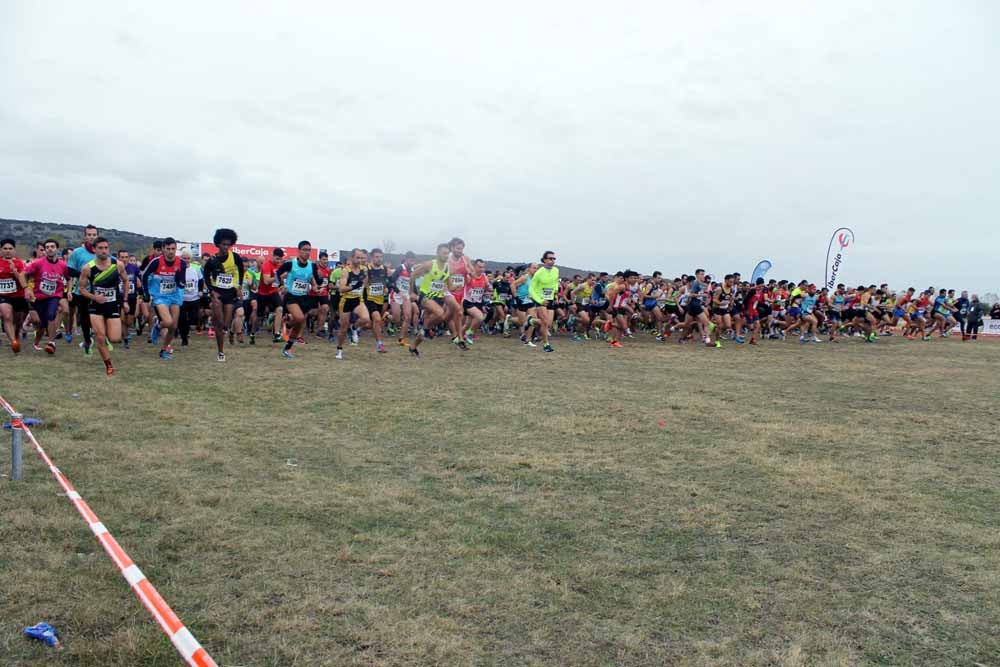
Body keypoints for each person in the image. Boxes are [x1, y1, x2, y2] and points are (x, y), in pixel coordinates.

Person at [78, 237, 129, 375]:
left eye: (106, 248)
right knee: (100, 336)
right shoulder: (88, 268)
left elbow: (126, 281)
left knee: (115, 338)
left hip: (112, 305)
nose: (104, 250)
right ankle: (108, 365)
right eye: (100, 248)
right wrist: (94, 297)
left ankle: (103, 336)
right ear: (94, 249)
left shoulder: (117, 265)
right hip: (95, 306)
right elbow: (81, 289)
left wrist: (124, 300)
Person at [202, 229, 245, 362]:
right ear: (218, 244)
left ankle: (226, 330)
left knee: (225, 324)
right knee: (219, 323)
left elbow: (241, 271)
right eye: (223, 244)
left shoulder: (235, 257)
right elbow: (206, 276)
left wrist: (239, 286)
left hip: (230, 293)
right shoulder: (212, 261)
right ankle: (220, 351)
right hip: (217, 293)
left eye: (228, 244)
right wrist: (211, 291)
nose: (226, 247)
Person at [410, 243, 460, 356]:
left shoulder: (448, 268)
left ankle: (414, 346)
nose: (446, 255)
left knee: (428, 324)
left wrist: (458, 286)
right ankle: (425, 328)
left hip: (438, 297)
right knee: (441, 314)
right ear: (437, 253)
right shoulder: (429, 265)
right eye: (444, 253)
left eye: (448, 253)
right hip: (426, 296)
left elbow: (450, 287)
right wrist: (411, 292)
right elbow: (413, 275)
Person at [141, 237, 187, 360]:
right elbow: (144, 275)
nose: (171, 251)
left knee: (173, 326)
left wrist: (180, 280)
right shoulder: (156, 262)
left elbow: (182, 282)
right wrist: (145, 293)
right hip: (160, 295)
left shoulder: (181, 263)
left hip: (175, 295)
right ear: (163, 249)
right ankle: (158, 325)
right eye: (168, 249)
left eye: (173, 249)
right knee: (167, 322)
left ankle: (164, 350)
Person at [275, 241, 321, 358]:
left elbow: (312, 279)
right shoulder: (291, 264)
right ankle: (288, 324)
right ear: (299, 251)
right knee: (300, 318)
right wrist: (281, 285)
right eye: (304, 250)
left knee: (300, 324)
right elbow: (277, 273)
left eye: (309, 250)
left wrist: (315, 287)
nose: (307, 252)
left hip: (304, 297)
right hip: (291, 296)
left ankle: (288, 348)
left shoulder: (312, 265)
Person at [24, 238, 69, 354]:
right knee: (41, 324)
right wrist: (27, 288)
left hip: (54, 295)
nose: (49, 249)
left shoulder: (62, 265)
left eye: (52, 247)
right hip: (38, 297)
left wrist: (68, 291)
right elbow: (23, 274)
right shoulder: (38, 263)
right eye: (47, 247)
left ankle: (51, 343)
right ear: (44, 250)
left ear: (57, 249)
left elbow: (68, 278)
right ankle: (36, 342)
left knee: (51, 314)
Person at [334, 248, 373, 360]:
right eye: (357, 257)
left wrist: (366, 281)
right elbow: (341, 289)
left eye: (361, 258)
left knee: (366, 319)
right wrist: (354, 286)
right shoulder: (346, 271)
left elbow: (365, 284)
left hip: (358, 299)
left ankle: (354, 328)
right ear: (352, 258)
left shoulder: (364, 269)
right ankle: (339, 349)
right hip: (346, 300)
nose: (360, 260)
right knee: (343, 328)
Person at [66, 224, 99, 355]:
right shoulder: (77, 252)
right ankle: (87, 341)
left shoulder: (101, 250)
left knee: (99, 316)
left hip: (98, 291)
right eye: (89, 235)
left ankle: (100, 336)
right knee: (84, 317)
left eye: (94, 235)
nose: (91, 237)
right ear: (85, 236)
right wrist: (84, 275)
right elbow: (69, 269)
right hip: (82, 290)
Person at [0, 238, 29, 353]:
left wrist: (15, 271)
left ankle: (16, 336)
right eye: (5, 249)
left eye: (10, 249)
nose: (8, 251)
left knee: (17, 321)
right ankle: (13, 342)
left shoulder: (19, 263)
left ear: (14, 250)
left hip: (18, 296)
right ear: (1, 250)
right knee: (7, 317)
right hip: (3, 296)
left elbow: (23, 280)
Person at [527, 250, 559, 352]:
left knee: (548, 324)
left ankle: (531, 321)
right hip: (540, 299)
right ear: (544, 260)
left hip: (550, 298)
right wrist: (540, 301)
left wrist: (556, 293)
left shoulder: (556, 270)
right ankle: (546, 344)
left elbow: (555, 282)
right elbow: (531, 289)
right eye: (550, 258)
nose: (552, 261)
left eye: (554, 259)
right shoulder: (539, 273)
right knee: (545, 322)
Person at [255, 248, 285, 344]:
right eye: (277, 259)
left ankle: (276, 334)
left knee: (280, 308)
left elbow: (280, 279)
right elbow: (266, 281)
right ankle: (252, 330)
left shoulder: (280, 265)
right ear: (272, 256)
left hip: (273, 292)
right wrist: (279, 276)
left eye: (280, 259)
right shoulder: (266, 265)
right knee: (260, 315)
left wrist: (282, 285)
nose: (278, 261)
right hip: (262, 293)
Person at [364, 248, 390, 353]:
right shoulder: (367, 268)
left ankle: (354, 327)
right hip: (369, 298)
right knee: (377, 319)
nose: (379, 259)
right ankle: (380, 345)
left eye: (381, 257)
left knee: (370, 324)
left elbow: (384, 282)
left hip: (379, 299)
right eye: (377, 257)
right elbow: (363, 283)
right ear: (372, 257)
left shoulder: (384, 268)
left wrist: (385, 288)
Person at [179, 250, 204, 346]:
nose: (186, 260)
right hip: (182, 299)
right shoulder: (178, 268)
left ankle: (187, 329)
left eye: (188, 258)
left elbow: (201, 280)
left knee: (193, 318)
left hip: (194, 298)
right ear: (181, 259)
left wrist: (200, 291)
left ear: (191, 259)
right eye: (184, 258)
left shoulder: (196, 269)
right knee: (182, 319)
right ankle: (184, 337)